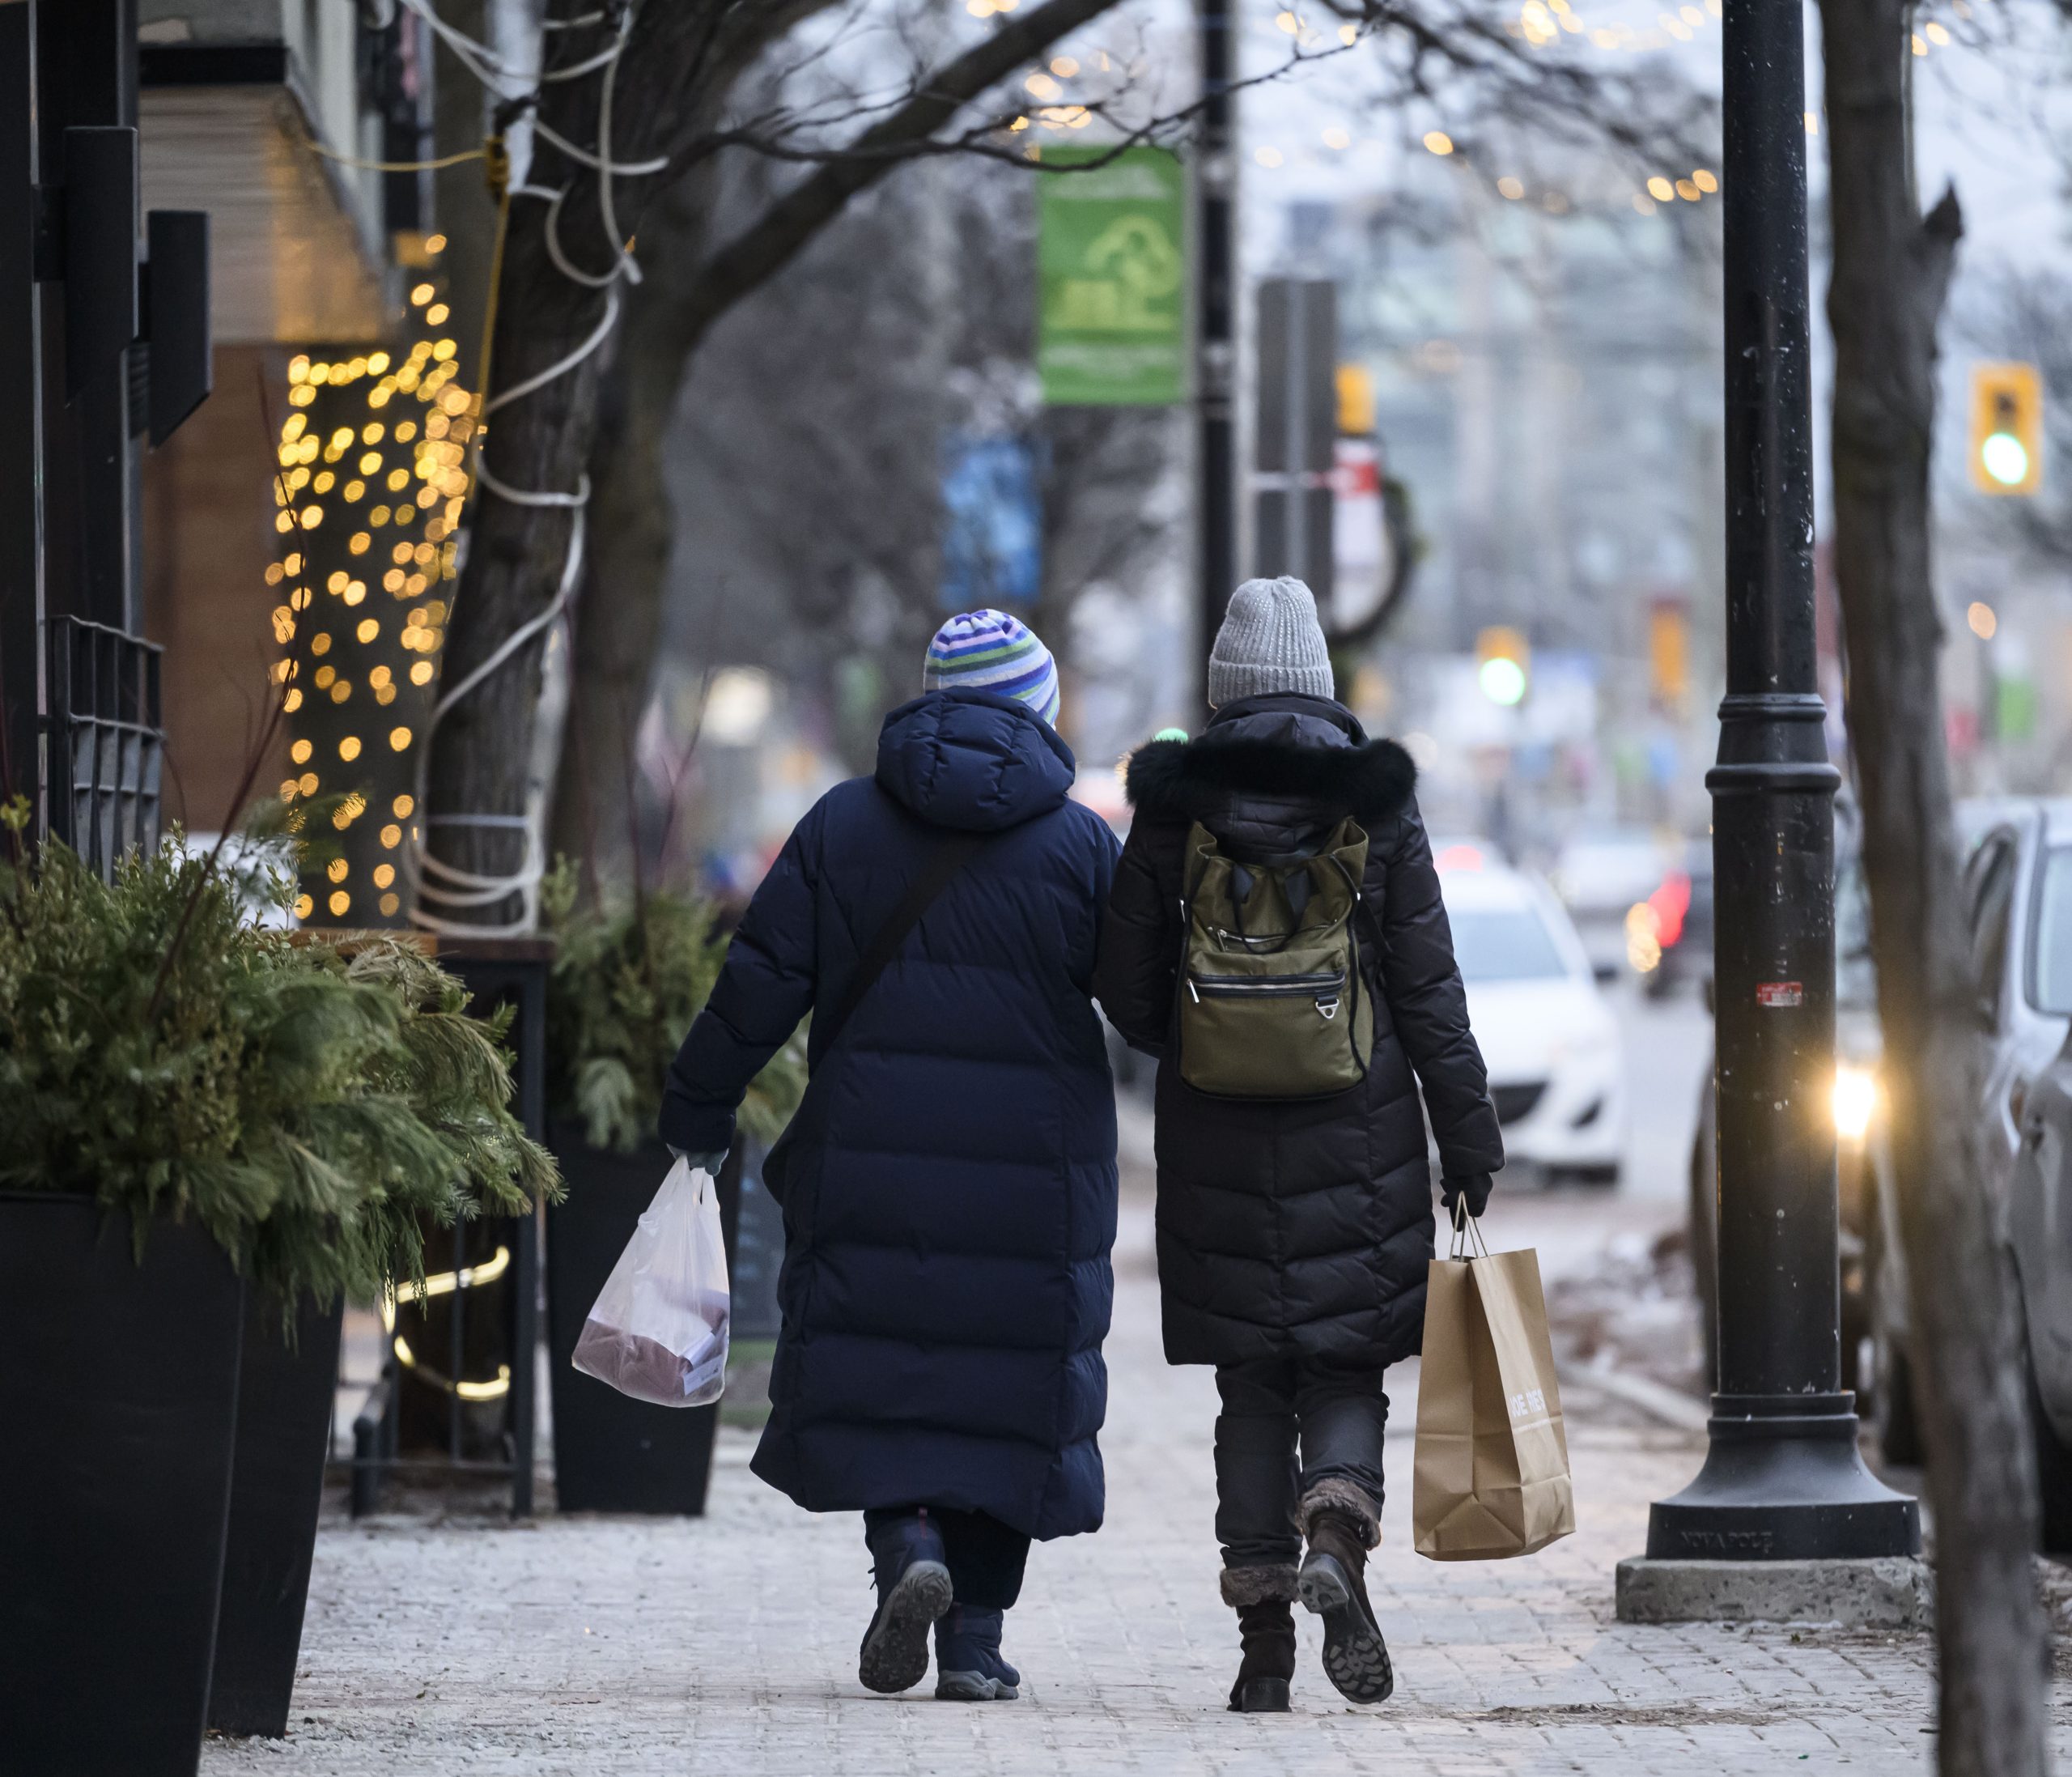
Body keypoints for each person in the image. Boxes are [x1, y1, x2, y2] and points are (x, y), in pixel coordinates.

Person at [660, 610, 1121, 1703]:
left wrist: (698, 1107)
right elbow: (1149, 1006)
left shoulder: (841, 827)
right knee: (1009, 1391)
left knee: (888, 1373)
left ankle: (908, 1546)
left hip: (872, 1156)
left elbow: (756, 983)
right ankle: (974, 1644)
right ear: (1039, 713)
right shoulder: (1082, 846)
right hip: (1034, 1178)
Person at [1092, 576, 1503, 1713]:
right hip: (1358, 1135)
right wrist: (1466, 1138)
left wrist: (1199, 1034)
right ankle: (1335, 1529)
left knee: (1250, 1389)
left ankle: (1263, 1653)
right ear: (1322, 683)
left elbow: (1122, 984)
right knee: (1343, 1364)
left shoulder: (1177, 806)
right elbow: (1428, 990)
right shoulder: (1377, 804)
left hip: (1216, 1141)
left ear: (1222, 694)